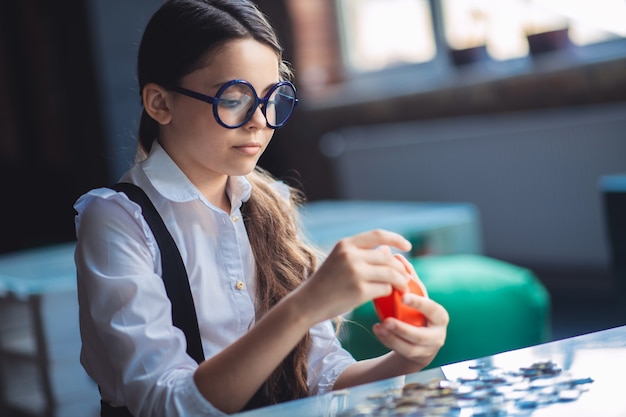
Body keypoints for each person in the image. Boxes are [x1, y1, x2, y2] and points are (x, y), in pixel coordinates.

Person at [73, 0, 449, 416]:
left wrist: (407, 359)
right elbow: (167, 404)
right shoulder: (117, 220)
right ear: (160, 103)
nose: (260, 121)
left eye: (272, 98)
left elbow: (321, 377)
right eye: (234, 100)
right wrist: (307, 303)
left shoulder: (271, 204)